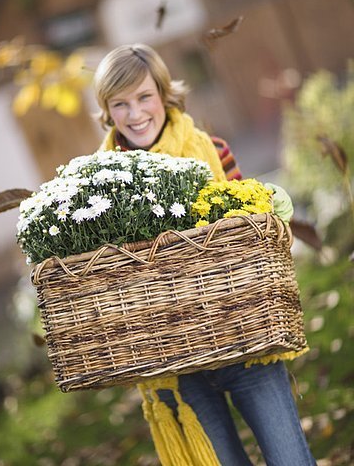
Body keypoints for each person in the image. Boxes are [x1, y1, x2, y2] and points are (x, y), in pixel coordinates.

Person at [93, 43, 316, 466]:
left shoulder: (212, 150)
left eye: (144, 97)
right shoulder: (98, 188)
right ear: (106, 110)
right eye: (120, 104)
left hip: (245, 340)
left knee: (291, 460)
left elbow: (252, 236)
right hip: (173, 367)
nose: (135, 114)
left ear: (163, 93)